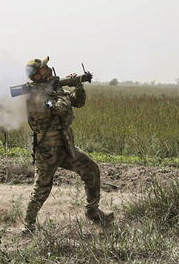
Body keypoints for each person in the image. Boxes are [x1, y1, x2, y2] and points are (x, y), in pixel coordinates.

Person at [23, 57, 114, 232]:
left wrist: (78, 86)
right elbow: (61, 107)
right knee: (42, 188)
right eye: (43, 68)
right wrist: (60, 90)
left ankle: (92, 212)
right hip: (48, 149)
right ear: (36, 76)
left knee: (91, 170)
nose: (48, 68)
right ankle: (28, 226)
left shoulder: (49, 89)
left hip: (65, 145)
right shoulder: (36, 95)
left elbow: (77, 102)